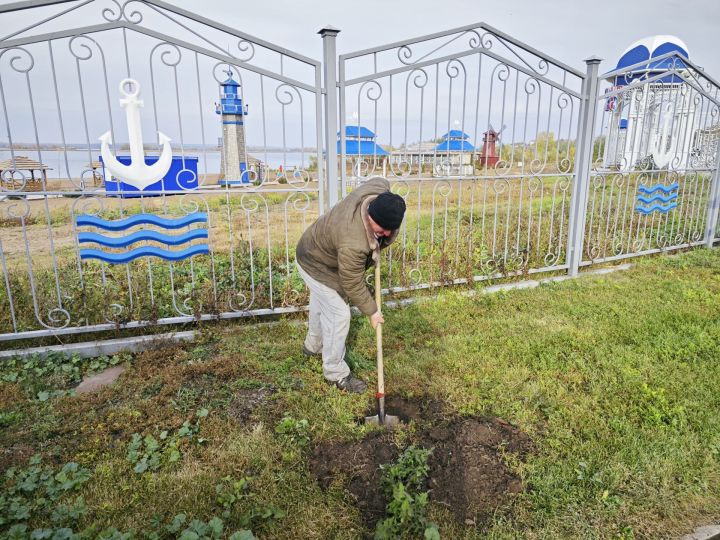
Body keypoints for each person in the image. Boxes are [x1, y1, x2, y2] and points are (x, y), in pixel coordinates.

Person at [295, 177, 406, 393]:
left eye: (389, 230)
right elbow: (351, 282)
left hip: (319, 251)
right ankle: (335, 373)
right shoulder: (353, 242)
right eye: (381, 228)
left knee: (323, 304)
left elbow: (381, 180)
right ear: (370, 215)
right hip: (314, 263)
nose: (385, 234)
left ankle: (313, 346)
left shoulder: (376, 191)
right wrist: (372, 312)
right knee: (338, 313)